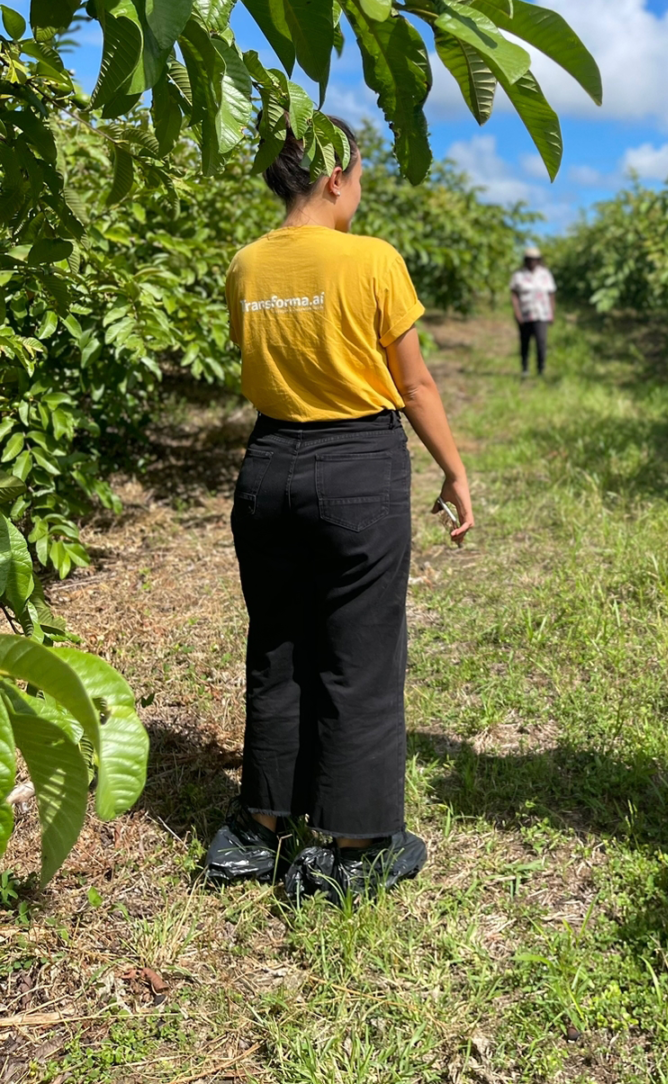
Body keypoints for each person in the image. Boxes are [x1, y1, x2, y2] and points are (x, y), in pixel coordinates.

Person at [206, 119, 474, 905]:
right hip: (358, 465)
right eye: (359, 173)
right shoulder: (372, 260)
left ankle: (259, 829)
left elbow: (254, 360)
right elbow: (415, 384)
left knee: (279, 643)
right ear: (334, 177)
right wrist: (454, 470)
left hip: (268, 468)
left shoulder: (246, 264)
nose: (360, 187)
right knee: (360, 655)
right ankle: (353, 847)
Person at [510, 246, 556, 378]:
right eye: (529, 259)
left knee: (541, 342)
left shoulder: (545, 274)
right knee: (525, 342)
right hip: (525, 313)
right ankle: (525, 369)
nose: (532, 262)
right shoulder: (518, 275)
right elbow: (514, 295)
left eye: (535, 260)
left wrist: (552, 312)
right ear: (525, 260)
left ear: (539, 260)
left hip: (542, 314)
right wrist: (517, 312)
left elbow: (551, 294)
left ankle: (541, 370)